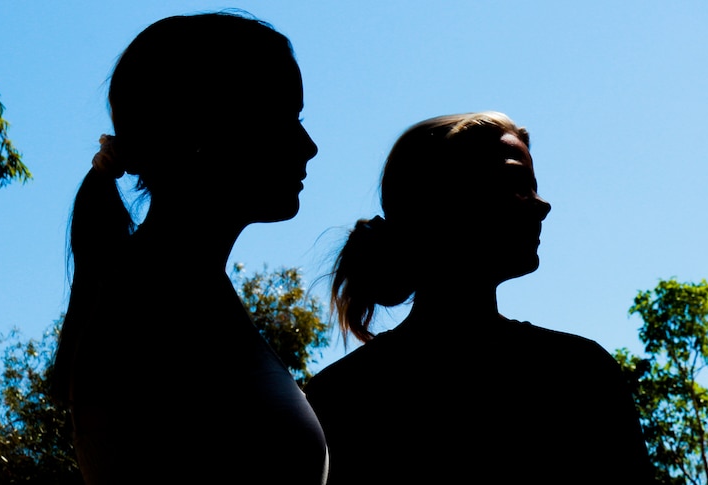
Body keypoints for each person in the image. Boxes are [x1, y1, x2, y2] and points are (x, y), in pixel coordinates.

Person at [50, 12, 328, 484]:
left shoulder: (172, 289)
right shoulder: (155, 306)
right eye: (284, 120)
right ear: (206, 131)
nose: (309, 146)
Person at [303, 112, 653, 484]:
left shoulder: (341, 393)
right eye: (517, 183)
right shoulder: (577, 374)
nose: (542, 205)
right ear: (444, 198)